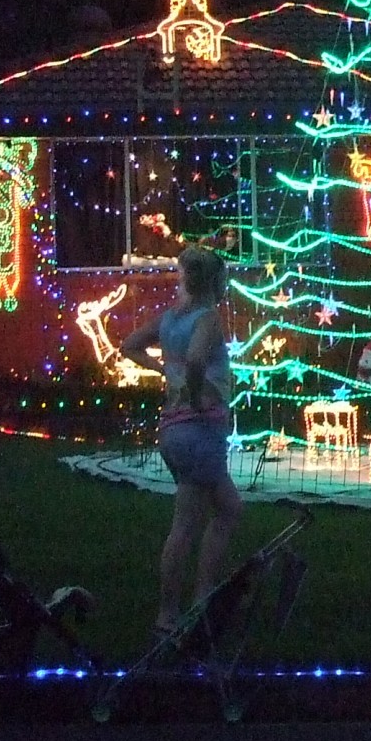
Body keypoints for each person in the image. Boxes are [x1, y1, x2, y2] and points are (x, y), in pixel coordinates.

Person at [123, 246, 242, 632]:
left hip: (174, 429)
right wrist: (192, 390)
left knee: (227, 508)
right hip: (199, 429)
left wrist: (159, 367)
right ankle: (178, 610)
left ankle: (197, 600)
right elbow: (194, 360)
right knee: (188, 521)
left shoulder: (170, 318)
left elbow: (129, 346)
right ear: (216, 282)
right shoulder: (207, 320)